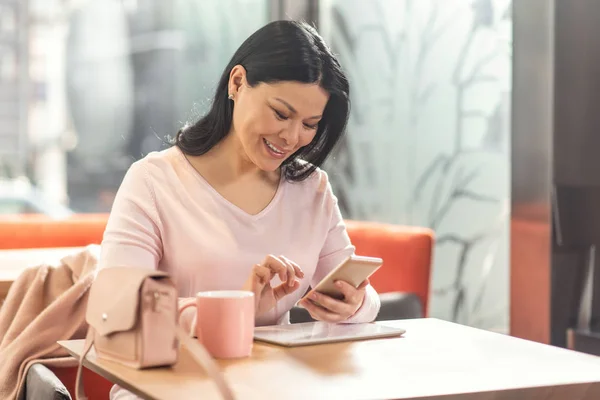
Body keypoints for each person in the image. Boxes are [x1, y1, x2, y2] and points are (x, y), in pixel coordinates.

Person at [101, 20, 380, 399]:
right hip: (167, 387)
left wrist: (354, 303)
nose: (292, 137)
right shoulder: (154, 182)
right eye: (281, 114)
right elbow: (120, 312)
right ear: (237, 83)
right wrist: (237, 311)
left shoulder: (311, 191)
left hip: (273, 387)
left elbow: (360, 295)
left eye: (310, 124)